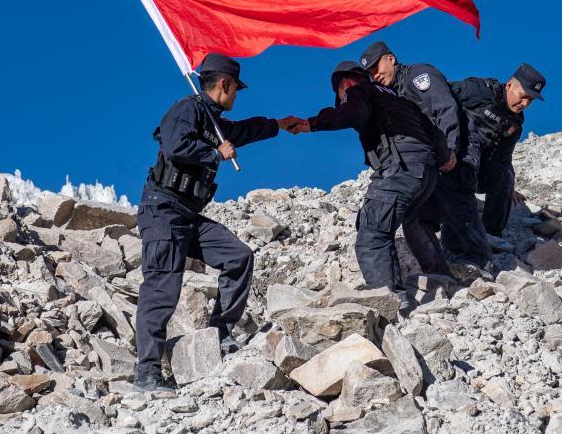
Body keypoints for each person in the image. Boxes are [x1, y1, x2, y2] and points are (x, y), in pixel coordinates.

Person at [134, 53, 303, 392]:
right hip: (163, 211)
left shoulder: (214, 123)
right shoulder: (187, 109)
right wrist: (214, 154)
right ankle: (147, 373)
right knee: (163, 288)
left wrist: (280, 124)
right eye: (236, 89)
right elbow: (174, 145)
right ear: (224, 84)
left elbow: (244, 130)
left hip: (187, 216)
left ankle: (220, 335)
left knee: (238, 257)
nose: (236, 96)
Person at [290, 61, 453, 308]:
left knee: (373, 230)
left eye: (340, 95)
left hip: (400, 167)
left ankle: (390, 302)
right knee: (413, 219)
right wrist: (445, 156)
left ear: (345, 84)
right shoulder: (397, 96)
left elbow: (352, 113)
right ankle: (442, 280)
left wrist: (312, 124)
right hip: (427, 173)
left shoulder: (358, 91)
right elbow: (431, 128)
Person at [438, 63, 546, 275]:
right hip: (450, 159)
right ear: (510, 85)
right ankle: (453, 250)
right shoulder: (479, 90)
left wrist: (508, 187)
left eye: (530, 100)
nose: (525, 103)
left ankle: (491, 235)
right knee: (461, 184)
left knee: (504, 176)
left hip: (477, 167)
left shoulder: (515, 122)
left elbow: (503, 159)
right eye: (523, 96)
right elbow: (439, 97)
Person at [359, 40, 461, 174]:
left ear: (391, 59)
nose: (375, 76)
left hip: (459, 145)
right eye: (371, 73)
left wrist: (450, 148)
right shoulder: (392, 96)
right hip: (437, 156)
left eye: (376, 68)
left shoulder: (416, 75)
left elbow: (445, 107)